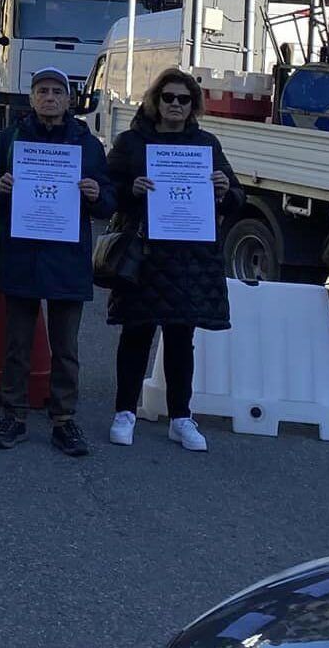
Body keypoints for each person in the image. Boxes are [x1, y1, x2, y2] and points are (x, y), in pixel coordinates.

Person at [0, 67, 114, 456]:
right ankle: (14, 415)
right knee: (16, 345)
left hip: (67, 257)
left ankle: (64, 420)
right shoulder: (11, 138)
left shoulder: (87, 144)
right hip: (22, 253)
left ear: (69, 100)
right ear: (31, 97)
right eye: (42, 91)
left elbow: (109, 198)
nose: (49, 97)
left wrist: (95, 193)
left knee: (66, 348)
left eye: (57, 91)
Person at [105, 67, 242, 453]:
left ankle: (181, 417)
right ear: (155, 100)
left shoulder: (207, 144)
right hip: (143, 254)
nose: (176, 105)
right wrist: (130, 190)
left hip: (189, 257)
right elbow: (107, 190)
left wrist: (224, 190)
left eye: (184, 99)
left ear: (194, 104)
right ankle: (124, 411)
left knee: (182, 338)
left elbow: (237, 196)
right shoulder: (132, 143)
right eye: (169, 98)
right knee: (136, 334)